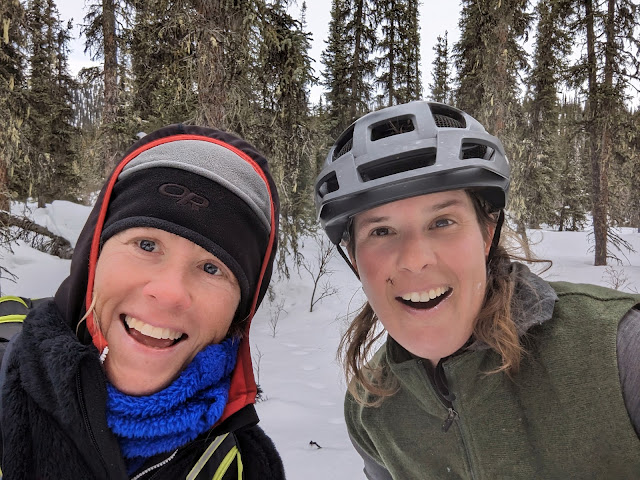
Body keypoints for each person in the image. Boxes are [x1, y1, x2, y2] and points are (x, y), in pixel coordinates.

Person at [314, 101, 640, 479]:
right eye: (381, 231)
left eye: (442, 221)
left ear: (486, 233)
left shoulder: (618, 352)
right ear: (355, 259)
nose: (415, 259)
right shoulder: (370, 411)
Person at [0, 125, 286, 479]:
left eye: (212, 268)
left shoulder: (248, 468)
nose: (169, 293)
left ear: (238, 313)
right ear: (93, 259)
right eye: (147, 245)